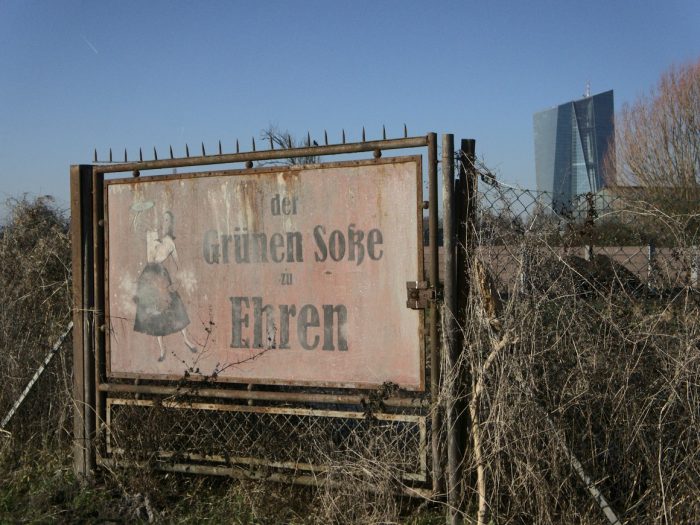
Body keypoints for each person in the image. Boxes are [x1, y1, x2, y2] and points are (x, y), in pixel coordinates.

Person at [133, 211, 197, 361]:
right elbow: (148, 254)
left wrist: (178, 282)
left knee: (176, 307)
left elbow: (178, 264)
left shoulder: (170, 243)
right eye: (163, 219)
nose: (165, 222)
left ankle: (187, 339)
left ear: (171, 223)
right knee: (155, 313)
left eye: (168, 220)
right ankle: (162, 349)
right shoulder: (152, 235)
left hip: (162, 276)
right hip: (149, 275)